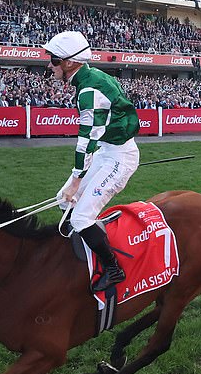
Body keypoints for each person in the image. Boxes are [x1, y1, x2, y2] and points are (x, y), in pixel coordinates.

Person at [44, 30, 140, 292]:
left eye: (53, 60)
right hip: (108, 151)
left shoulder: (88, 90)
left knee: (82, 216)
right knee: (63, 200)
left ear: (70, 63)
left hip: (118, 157)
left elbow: (86, 141)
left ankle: (113, 269)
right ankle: (79, 251)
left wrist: (76, 181)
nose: (49, 65)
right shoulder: (91, 76)